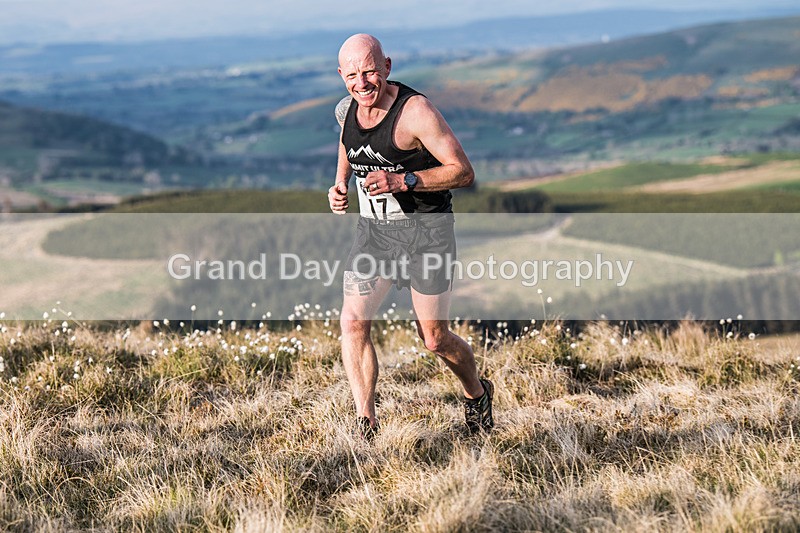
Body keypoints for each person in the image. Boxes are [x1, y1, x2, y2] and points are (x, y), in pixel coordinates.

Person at [328, 33, 494, 439]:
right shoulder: (347, 108)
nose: (362, 82)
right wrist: (339, 185)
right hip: (376, 234)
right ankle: (365, 426)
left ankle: (476, 394)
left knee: (434, 340)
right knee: (352, 321)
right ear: (340, 75)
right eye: (352, 75)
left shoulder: (415, 112)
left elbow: (463, 171)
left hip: (427, 234)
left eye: (369, 71)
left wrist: (404, 179)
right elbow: (348, 144)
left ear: (387, 66)